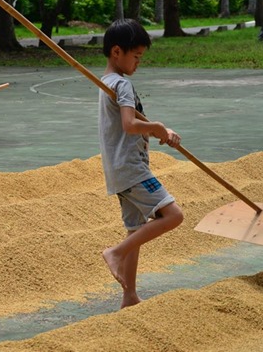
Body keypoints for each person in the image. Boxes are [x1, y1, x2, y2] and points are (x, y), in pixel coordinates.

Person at [98, 18, 184, 309]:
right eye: (136, 57)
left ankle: (129, 296)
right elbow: (129, 123)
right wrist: (158, 126)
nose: (138, 63)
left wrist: (161, 131)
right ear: (117, 52)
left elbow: (136, 122)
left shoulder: (106, 82)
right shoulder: (122, 84)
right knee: (174, 216)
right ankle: (116, 253)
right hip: (133, 169)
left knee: (135, 231)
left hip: (117, 169)